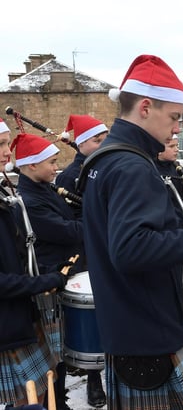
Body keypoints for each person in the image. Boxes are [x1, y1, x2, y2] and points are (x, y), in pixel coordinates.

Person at [81, 54, 183, 409]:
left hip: (132, 327)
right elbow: (132, 249)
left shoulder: (106, 159)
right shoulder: (130, 166)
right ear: (144, 107)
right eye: (174, 117)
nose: (177, 128)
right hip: (151, 333)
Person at [0, 120, 70, 408]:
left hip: (18, 314)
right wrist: (45, 281)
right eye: (2, 145)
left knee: (42, 393)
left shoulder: (5, 189)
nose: (8, 152)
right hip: (6, 322)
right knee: (26, 400)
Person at [13, 133, 83, 410]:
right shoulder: (30, 199)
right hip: (48, 275)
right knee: (53, 348)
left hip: (62, 270)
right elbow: (66, 231)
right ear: (31, 165)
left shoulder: (45, 188)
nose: (57, 167)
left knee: (59, 347)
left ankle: (59, 396)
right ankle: (55, 399)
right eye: (52, 162)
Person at [53, 115, 109, 407]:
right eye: (97, 140)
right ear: (81, 142)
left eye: (104, 139)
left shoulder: (108, 167)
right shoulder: (67, 177)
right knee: (93, 316)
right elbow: (68, 222)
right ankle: (94, 378)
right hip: (86, 254)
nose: (102, 145)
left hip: (112, 251)